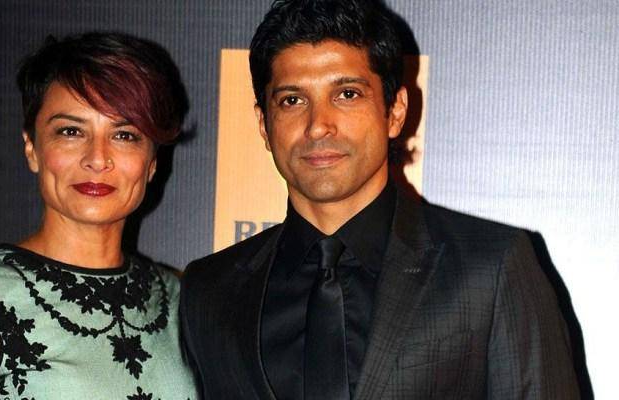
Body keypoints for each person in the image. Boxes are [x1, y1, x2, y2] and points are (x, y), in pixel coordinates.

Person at [180, 1, 580, 399]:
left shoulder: (490, 268)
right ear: (264, 125)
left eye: (347, 94)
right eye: (292, 100)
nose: (318, 126)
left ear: (395, 111)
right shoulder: (210, 292)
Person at [0, 32, 197, 399]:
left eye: (124, 135)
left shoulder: (183, 299)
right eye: (71, 131)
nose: (97, 158)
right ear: (32, 148)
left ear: (151, 162)